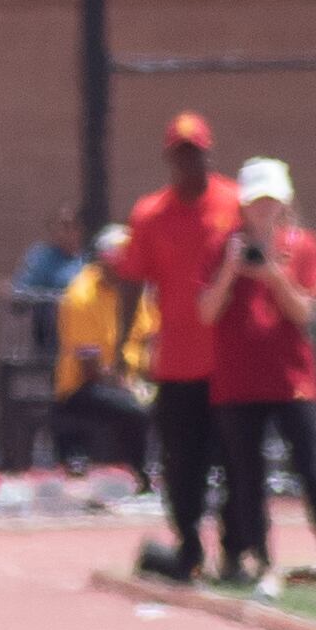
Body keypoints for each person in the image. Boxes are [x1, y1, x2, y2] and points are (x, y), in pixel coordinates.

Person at [114, 111, 243, 580]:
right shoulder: (150, 214)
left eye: (196, 153)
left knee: (235, 463)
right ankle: (188, 546)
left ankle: (235, 549)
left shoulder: (235, 203)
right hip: (176, 364)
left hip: (229, 362)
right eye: (180, 155)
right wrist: (121, 344)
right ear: (169, 158)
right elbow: (132, 281)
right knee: (182, 466)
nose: (189, 163)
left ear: (207, 154)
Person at [203, 157, 316, 592]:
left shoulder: (303, 245)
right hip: (238, 382)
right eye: (255, 202)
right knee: (246, 476)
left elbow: (303, 311)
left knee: (310, 470)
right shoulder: (221, 246)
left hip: (292, 380)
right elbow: (205, 311)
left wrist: (273, 273)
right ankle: (264, 563)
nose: (263, 210)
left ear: (283, 203)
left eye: (271, 201)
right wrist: (231, 269)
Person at [48, 223, 150, 477]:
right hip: (85, 387)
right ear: (105, 260)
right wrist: (129, 386)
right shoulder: (81, 295)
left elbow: (151, 338)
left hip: (132, 379)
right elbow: (90, 366)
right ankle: (138, 475)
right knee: (135, 409)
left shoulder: (134, 292)